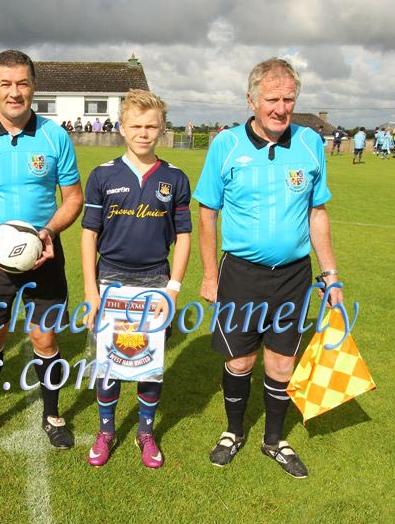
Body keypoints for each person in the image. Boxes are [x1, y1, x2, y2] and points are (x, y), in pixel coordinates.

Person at [194, 58, 343, 479]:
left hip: (294, 276)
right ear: (252, 100)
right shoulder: (226, 145)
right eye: (272, 99)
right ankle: (233, 431)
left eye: (289, 99)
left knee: (282, 364)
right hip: (240, 273)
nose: (281, 108)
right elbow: (207, 213)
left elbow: (318, 212)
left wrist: (330, 273)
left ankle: (274, 440)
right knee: (240, 361)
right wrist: (209, 275)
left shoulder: (311, 143)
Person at [0, 50, 83, 449]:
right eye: (5, 84)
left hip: (43, 254)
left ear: (33, 87)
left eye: (22, 83)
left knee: (44, 339)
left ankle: (53, 415)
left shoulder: (54, 136)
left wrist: (48, 232)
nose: (14, 92)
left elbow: (73, 198)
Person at [81, 90, 191, 468]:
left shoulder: (174, 178)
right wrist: (91, 291)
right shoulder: (103, 175)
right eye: (136, 126)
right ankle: (107, 430)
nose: (143, 133)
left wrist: (173, 288)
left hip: (154, 280)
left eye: (151, 126)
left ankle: (146, 431)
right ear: (122, 128)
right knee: (110, 360)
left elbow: (184, 236)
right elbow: (89, 235)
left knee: (149, 360)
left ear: (161, 129)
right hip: (110, 278)